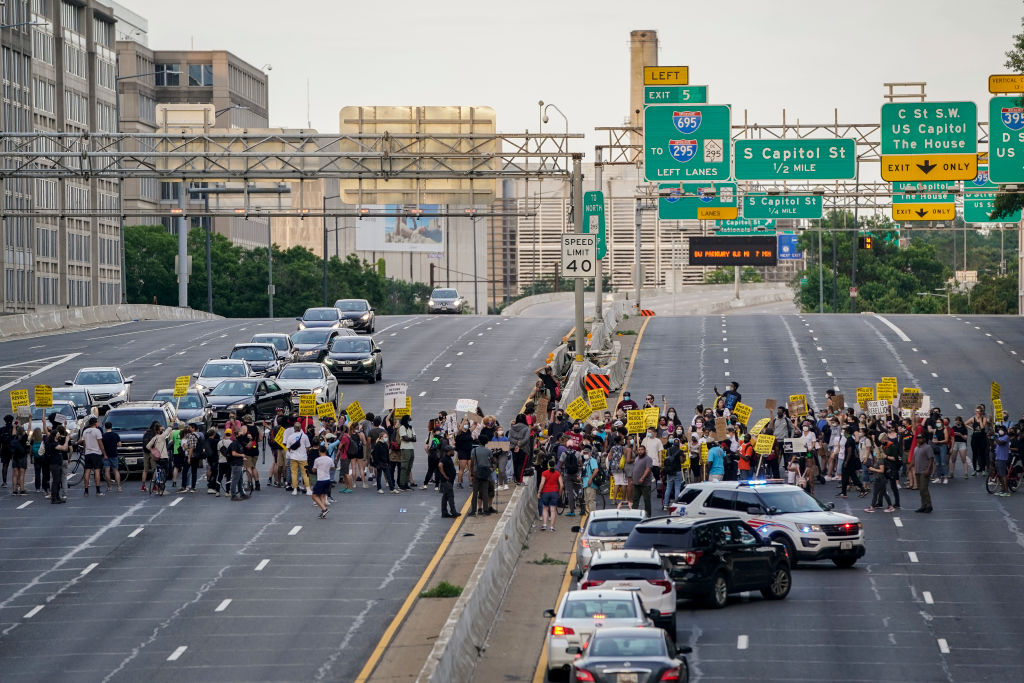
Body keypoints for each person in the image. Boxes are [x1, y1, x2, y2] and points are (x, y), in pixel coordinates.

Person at [79, 416, 105, 497]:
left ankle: (86, 491)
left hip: (88, 453)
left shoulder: (85, 431)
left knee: (87, 471)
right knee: (97, 471)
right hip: (96, 453)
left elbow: (84, 442)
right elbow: (100, 443)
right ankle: (98, 490)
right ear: (95, 423)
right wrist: (104, 452)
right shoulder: (97, 431)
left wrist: (86, 450)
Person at [285, 418, 312, 496]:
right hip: (303, 457)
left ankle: (295, 489)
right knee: (305, 473)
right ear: (300, 428)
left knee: (294, 473)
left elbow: (288, 448)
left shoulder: (290, 437)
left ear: (294, 428)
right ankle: (308, 489)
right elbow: (307, 447)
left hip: (293, 457)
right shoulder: (304, 436)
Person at [469, 435, 493, 515]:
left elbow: (472, 463)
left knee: (475, 492)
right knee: (485, 492)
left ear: (479, 441)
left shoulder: (474, 450)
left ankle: (473, 511)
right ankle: (486, 510)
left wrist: (471, 474)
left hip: (476, 473)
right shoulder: (488, 451)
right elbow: (492, 462)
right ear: (486, 442)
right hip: (485, 474)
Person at [47, 417, 70, 504]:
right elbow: (64, 448)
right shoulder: (53, 444)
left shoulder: (57, 442)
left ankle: (57, 496)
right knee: (56, 481)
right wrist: (67, 441)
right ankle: (54, 498)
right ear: (54, 436)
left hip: (58, 463)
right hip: (54, 464)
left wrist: (65, 425)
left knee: (58, 481)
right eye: (57, 433)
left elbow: (63, 433)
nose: (58, 434)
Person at [537, 459, 562, 531]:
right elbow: (561, 485)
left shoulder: (544, 473)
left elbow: (542, 483)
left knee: (545, 508)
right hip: (554, 493)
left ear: (548, 465)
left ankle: (544, 525)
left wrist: (539, 492)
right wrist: (559, 493)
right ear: (554, 465)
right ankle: (552, 527)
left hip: (546, 493)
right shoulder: (557, 473)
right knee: (553, 510)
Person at [965, 405, 990, 475]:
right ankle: (975, 469)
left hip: (982, 437)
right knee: (975, 454)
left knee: (982, 453)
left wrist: (980, 420)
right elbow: (965, 423)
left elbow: (982, 427)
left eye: (979, 412)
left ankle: (983, 469)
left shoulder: (984, 418)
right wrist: (972, 428)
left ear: (981, 412)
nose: (977, 413)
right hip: (975, 437)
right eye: (976, 411)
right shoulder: (973, 418)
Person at [508, 414, 531, 485]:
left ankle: (515, 479)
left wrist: (516, 443)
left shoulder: (512, 428)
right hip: (523, 448)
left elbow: (510, 438)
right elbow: (526, 439)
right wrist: (519, 444)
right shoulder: (526, 428)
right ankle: (520, 480)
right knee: (521, 465)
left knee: (515, 464)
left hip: (513, 448)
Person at [146, 424, 169, 495]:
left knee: (158, 470)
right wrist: (173, 421)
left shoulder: (154, 438)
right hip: (164, 457)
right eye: (161, 430)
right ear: (158, 430)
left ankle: (156, 483)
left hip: (157, 458)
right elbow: (169, 429)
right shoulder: (162, 437)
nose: (163, 431)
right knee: (165, 473)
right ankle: (162, 488)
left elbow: (147, 446)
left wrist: (153, 451)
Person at [311, 444, 333, 518]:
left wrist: (314, 470)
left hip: (320, 479)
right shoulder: (329, 459)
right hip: (327, 479)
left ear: (319, 451)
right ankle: (323, 512)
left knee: (314, 496)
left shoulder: (317, 460)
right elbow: (333, 467)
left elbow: (314, 469)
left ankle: (324, 509)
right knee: (323, 495)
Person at [913, 437, 935, 513]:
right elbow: (914, 459)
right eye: (918, 438)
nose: (919, 440)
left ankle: (929, 505)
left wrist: (928, 469)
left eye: (921, 438)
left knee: (924, 488)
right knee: (921, 489)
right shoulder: (916, 448)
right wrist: (909, 468)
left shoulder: (927, 447)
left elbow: (931, 459)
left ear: (924, 439)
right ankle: (923, 505)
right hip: (917, 471)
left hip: (924, 471)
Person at [631, 444, 654, 516]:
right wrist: (632, 478)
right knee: (635, 500)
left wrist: (642, 478)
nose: (640, 451)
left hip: (645, 484)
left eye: (642, 450)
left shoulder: (648, 459)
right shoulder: (637, 458)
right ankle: (633, 514)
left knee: (646, 500)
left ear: (645, 451)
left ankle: (648, 516)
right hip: (636, 483)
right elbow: (634, 469)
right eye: (639, 450)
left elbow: (648, 469)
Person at [438, 444, 459, 518]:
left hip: (449, 480)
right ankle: (453, 511)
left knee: (445, 496)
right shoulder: (444, 458)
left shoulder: (448, 458)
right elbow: (440, 465)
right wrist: (445, 476)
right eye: (452, 451)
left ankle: (444, 512)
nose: (453, 452)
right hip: (447, 481)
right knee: (450, 496)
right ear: (449, 451)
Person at [662, 438, 683, 509]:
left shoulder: (668, 450)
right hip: (677, 471)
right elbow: (681, 461)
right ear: (679, 444)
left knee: (668, 488)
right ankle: (676, 504)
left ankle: (665, 505)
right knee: (677, 488)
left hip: (669, 471)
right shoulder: (680, 451)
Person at [101, 421, 122, 493]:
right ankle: (119, 487)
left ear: (105, 427)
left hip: (106, 455)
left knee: (107, 471)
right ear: (111, 427)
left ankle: (109, 487)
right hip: (114, 454)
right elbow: (119, 444)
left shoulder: (103, 436)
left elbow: (101, 446)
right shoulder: (115, 435)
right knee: (116, 471)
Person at [242, 415, 261, 492]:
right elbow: (260, 438)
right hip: (255, 449)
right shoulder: (257, 427)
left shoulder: (244, 427)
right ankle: (257, 483)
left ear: (245, 420)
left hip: (247, 450)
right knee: (254, 467)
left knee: (248, 467)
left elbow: (239, 436)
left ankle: (250, 484)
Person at [398, 414, 417, 490]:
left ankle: (406, 483)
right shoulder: (402, 428)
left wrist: (410, 438)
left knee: (409, 467)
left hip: (411, 448)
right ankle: (402, 484)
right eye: (410, 420)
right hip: (405, 448)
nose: (411, 421)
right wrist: (411, 438)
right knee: (404, 467)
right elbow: (405, 438)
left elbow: (415, 439)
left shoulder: (411, 428)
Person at [179, 423, 198, 493]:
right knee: (194, 472)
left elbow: (191, 447)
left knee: (185, 471)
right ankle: (193, 487)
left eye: (190, 427)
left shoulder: (192, 436)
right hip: (195, 456)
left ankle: (184, 486)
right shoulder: (197, 435)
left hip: (190, 456)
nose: (188, 428)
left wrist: (189, 457)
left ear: (193, 428)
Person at [9, 425, 28, 495]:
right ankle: (22, 489)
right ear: (23, 431)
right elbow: (29, 428)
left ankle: (14, 490)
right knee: (22, 474)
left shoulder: (14, 437)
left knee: (15, 475)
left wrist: (14, 426)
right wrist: (29, 419)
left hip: (15, 457)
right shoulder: (25, 437)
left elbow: (13, 432)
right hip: (22, 457)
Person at [993, 426, 1012, 496]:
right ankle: (1002, 489)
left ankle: (1006, 491)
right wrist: (991, 439)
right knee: (1000, 475)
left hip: (1002, 458)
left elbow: (1000, 443)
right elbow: (994, 445)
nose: (1000, 431)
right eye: (999, 430)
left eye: (1001, 430)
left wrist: (995, 438)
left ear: (1005, 431)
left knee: (1003, 474)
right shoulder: (999, 437)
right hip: (997, 458)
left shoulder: (1006, 437)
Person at [581, 447, 600, 513]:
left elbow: (596, 470)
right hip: (585, 484)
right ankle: (590, 515)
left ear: (590, 453)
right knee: (587, 501)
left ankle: (592, 515)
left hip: (590, 484)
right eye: (584, 453)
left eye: (586, 453)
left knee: (591, 500)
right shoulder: (586, 462)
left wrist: (590, 479)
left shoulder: (592, 460)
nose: (585, 454)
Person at [0, 414, 14, 488]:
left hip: (4, 448)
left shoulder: (1, 429)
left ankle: (4, 482)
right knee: (15, 465)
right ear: (12, 421)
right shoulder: (14, 428)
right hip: (12, 448)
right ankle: (17, 482)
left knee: (5, 465)